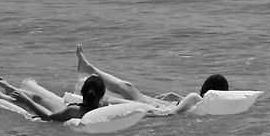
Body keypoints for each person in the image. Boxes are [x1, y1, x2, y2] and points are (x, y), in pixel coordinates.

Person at [75, 45, 228, 116]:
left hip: (153, 107)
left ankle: (89, 70)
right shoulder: (201, 103)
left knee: (126, 88)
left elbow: (172, 114)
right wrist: (175, 97)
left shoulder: (196, 97)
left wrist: (146, 113)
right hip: (155, 105)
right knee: (126, 88)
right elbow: (183, 107)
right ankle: (89, 70)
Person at [0, 74, 105, 122]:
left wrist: (25, 100)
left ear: (83, 92)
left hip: (55, 114)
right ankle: (9, 88)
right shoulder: (100, 107)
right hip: (65, 110)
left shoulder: (74, 110)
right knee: (38, 97)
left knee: (30, 101)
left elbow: (47, 117)